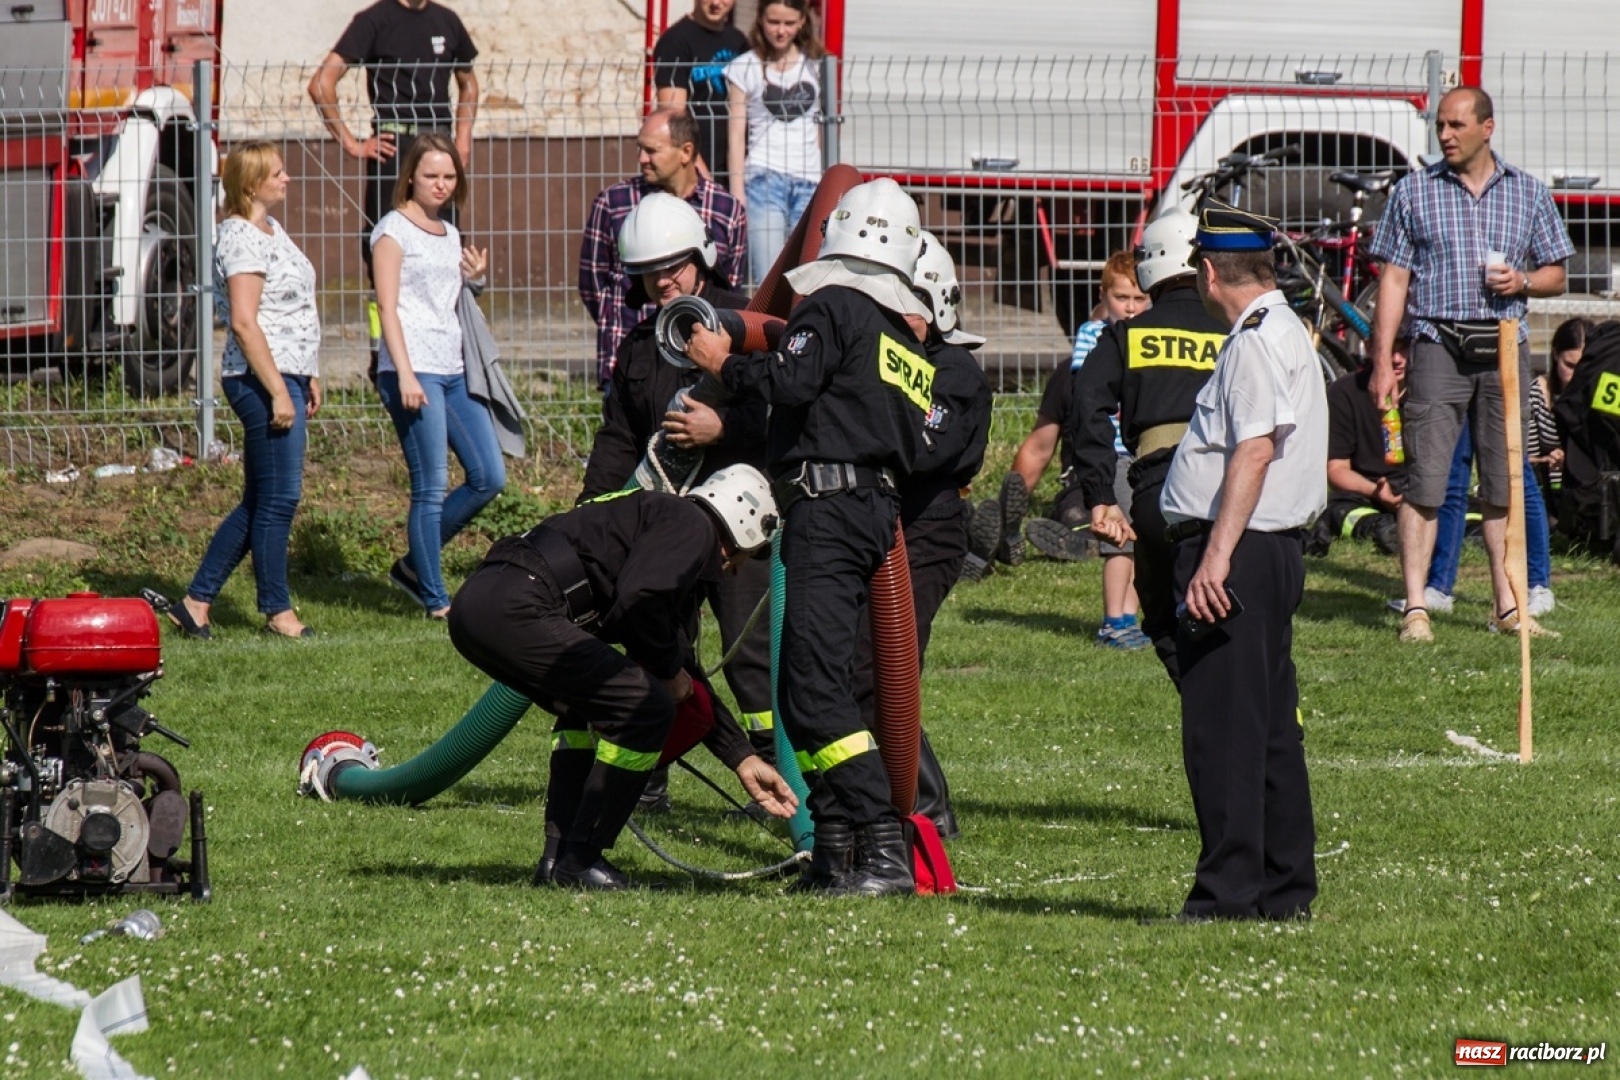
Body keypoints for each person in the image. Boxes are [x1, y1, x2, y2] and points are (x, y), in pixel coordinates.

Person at [684, 178, 936, 897]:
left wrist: (721, 362)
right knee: (816, 693)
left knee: (813, 692)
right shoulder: (902, 340)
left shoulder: (834, 305)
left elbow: (791, 380)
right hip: (868, 513)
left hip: (826, 511)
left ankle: (881, 847)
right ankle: (834, 851)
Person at [446, 468, 798, 889]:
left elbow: (683, 667)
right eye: (751, 554)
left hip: (481, 604)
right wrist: (668, 673)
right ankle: (582, 861)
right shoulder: (692, 528)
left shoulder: (665, 525)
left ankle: (557, 861)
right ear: (742, 524)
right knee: (644, 707)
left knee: (586, 709)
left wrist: (741, 756)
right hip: (520, 604)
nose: (739, 570)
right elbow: (639, 606)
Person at [1154, 199, 1327, 923]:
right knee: (1268, 731)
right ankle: (1282, 887)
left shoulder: (1254, 340)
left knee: (1224, 730)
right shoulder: (1284, 329)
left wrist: (1214, 558)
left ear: (1206, 271)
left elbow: (1253, 449)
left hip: (1241, 549)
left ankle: (1228, 896)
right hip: (1269, 550)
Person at [578, 192, 775, 805]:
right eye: (649, 270)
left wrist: (725, 430)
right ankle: (648, 777)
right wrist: (591, 507)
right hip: (665, 530)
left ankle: (777, 774)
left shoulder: (747, 325)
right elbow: (620, 435)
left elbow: (787, 413)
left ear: (701, 259)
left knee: (750, 658)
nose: (663, 279)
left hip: (739, 535)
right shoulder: (641, 346)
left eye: (674, 265)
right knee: (663, 651)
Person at [1367, 86, 1575, 643]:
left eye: (1457, 124)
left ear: (1488, 127)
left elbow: (1558, 273)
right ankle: (1417, 607)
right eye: (1440, 125)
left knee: (1505, 482)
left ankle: (1507, 605)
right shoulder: (1414, 191)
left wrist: (1524, 280)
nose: (1445, 135)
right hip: (1437, 344)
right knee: (1426, 482)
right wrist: (1383, 359)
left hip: (1505, 346)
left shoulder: (1527, 193)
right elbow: (1393, 279)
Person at [856, 231, 994, 840]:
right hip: (883, 529)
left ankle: (929, 810)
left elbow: (922, 447)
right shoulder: (893, 360)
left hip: (927, 533)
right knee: (859, 665)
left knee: (883, 667)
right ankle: (893, 804)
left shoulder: (954, 371)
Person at [166, 142, 322, 642]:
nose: (287, 179)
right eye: (277, 173)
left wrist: (308, 374)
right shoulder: (240, 237)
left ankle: (195, 603)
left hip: (286, 376)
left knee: (261, 500)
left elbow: (291, 311)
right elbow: (244, 320)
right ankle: (277, 610)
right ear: (251, 183)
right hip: (259, 380)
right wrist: (278, 390)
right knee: (281, 499)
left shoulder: (270, 229)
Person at [1066, 209, 1227, 683]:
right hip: (1235, 489)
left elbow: (1085, 408)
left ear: (1147, 269)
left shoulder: (1127, 334)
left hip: (1161, 491)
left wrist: (1100, 496)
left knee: (1163, 620)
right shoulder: (1236, 331)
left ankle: (1205, 706)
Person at [372, 132, 506, 619]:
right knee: (429, 485)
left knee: (489, 476)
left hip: (453, 369)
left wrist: (475, 280)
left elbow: (451, 303)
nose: (441, 185)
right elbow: (386, 307)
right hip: (412, 371)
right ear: (410, 175)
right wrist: (404, 375)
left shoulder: (449, 232)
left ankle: (413, 565)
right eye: (431, 175)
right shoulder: (392, 230)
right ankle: (434, 598)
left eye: (449, 176)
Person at [307, 0, 479, 372]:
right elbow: (322, 84)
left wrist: (462, 139)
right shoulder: (373, 21)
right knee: (384, 253)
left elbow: (468, 84)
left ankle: (451, 349)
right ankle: (380, 353)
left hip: (438, 147)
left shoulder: (446, 21)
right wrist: (352, 143)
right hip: (393, 151)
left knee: (448, 249)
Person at [1017, 252, 1153, 649]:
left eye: (1139, 299)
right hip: (1113, 452)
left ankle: (1131, 620)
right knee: (1120, 540)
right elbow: (1087, 389)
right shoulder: (1095, 335)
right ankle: (1113, 621)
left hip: (1144, 450)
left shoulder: (1149, 335)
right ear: (1103, 296)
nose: (1130, 307)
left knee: (1144, 541)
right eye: (1122, 298)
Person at [579, 108, 747, 389]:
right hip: (629, 365)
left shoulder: (726, 210)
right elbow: (591, 284)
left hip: (700, 366)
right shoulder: (613, 203)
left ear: (685, 152)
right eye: (639, 149)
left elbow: (727, 287)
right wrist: (623, 328)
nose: (641, 159)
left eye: (651, 150)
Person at [725, 0, 824, 286]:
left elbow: (825, 127)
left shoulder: (817, 65)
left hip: (809, 182)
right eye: (773, 22)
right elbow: (735, 134)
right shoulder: (744, 67)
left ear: (802, 21)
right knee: (767, 277)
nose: (781, 31)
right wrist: (737, 191)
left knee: (809, 277)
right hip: (763, 180)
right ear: (760, 20)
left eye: (789, 23)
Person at [1306, 331, 1409, 558]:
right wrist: (1377, 492)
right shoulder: (1345, 392)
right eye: (1389, 349)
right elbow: (1336, 471)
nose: (1397, 359)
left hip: (1420, 491)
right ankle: (1380, 529)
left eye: (1404, 348)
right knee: (1336, 510)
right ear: (1369, 348)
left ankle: (1468, 531)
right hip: (1366, 493)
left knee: (1466, 508)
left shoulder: (1432, 394)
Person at [653, 0, 750, 187]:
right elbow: (674, 118)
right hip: (694, 167)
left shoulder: (739, 42)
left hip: (736, 165)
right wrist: (702, 175)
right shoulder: (675, 41)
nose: (716, 3)